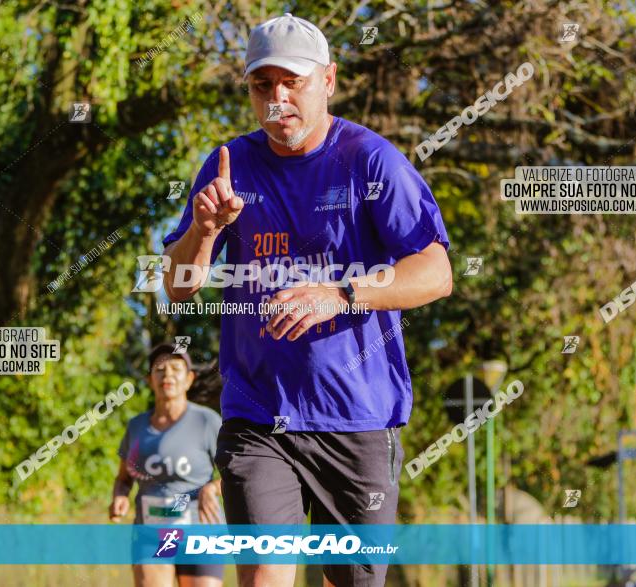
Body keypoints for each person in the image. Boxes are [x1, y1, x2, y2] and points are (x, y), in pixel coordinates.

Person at [160, 13, 452, 587]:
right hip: (259, 418)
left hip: (358, 421)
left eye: (293, 80)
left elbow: (435, 272)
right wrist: (206, 232)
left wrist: (343, 294)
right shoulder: (228, 168)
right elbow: (178, 284)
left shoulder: (370, 161)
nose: (278, 97)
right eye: (261, 85)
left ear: (329, 80)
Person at [109, 343, 224, 587]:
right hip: (152, 532)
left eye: (175, 368)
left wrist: (211, 489)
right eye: (159, 369)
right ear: (150, 379)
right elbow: (123, 479)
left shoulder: (207, 421)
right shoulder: (136, 427)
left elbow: (235, 474)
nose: (167, 375)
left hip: (200, 531)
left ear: (189, 379)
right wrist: (120, 497)